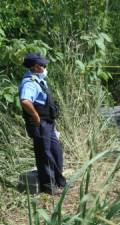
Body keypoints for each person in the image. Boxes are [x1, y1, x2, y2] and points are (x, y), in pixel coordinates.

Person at [19, 53, 66, 195]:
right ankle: (48, 185)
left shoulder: (40, 80)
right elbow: (25, 101)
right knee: (44, 154)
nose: (45, 68)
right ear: (35, 67)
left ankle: (59, 181)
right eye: (42, 65)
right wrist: (35, 116)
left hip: (48, 123)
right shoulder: (29, 83)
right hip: (40, 124)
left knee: (56, 151)